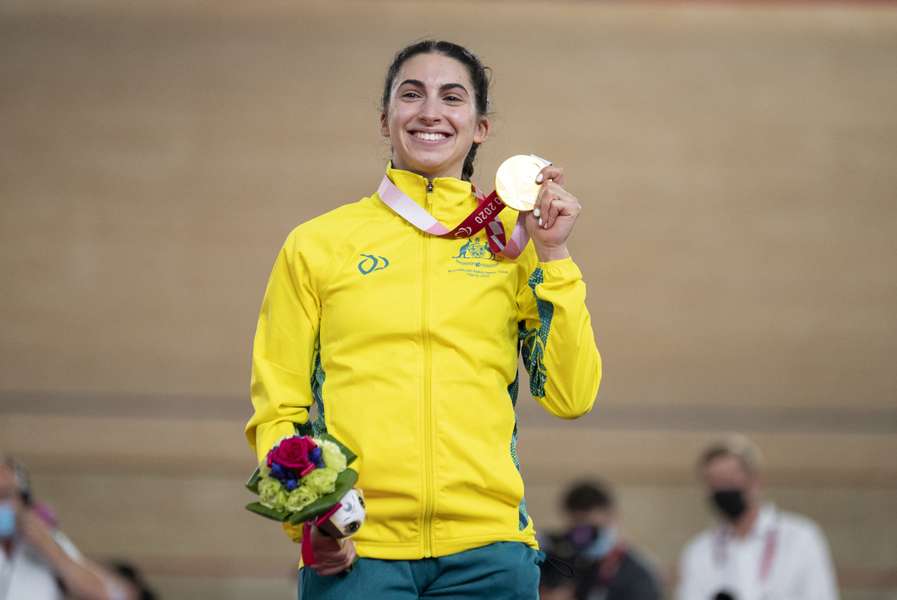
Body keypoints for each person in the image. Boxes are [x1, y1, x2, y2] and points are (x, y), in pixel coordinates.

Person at [244, 39, 602, 600]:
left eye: (451, 97)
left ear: (480, 127)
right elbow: (279, 407)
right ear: (385, 119)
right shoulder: (317, 245)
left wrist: (554, 256)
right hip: (358, 552)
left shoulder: (515, 242)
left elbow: (571, 395)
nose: (430, 112)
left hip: (490, 553)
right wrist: (312, 520)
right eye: (411, 95)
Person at [676, 435, 840, 600]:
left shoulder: (800, 538)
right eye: (715, 483)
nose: (724, 489)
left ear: (755, 481)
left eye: (730, 480)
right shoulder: (699, 551)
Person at [0, 457, 133, 600]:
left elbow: (111, 595)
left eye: (5, 495)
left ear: (24, 501)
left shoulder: (46, 541)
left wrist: (48, 547)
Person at [539, 480, 661, 600]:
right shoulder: (555, 558)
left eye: (591, 529)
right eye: (576, 528)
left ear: (611, 516)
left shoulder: (635, 575)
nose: (582, 536)